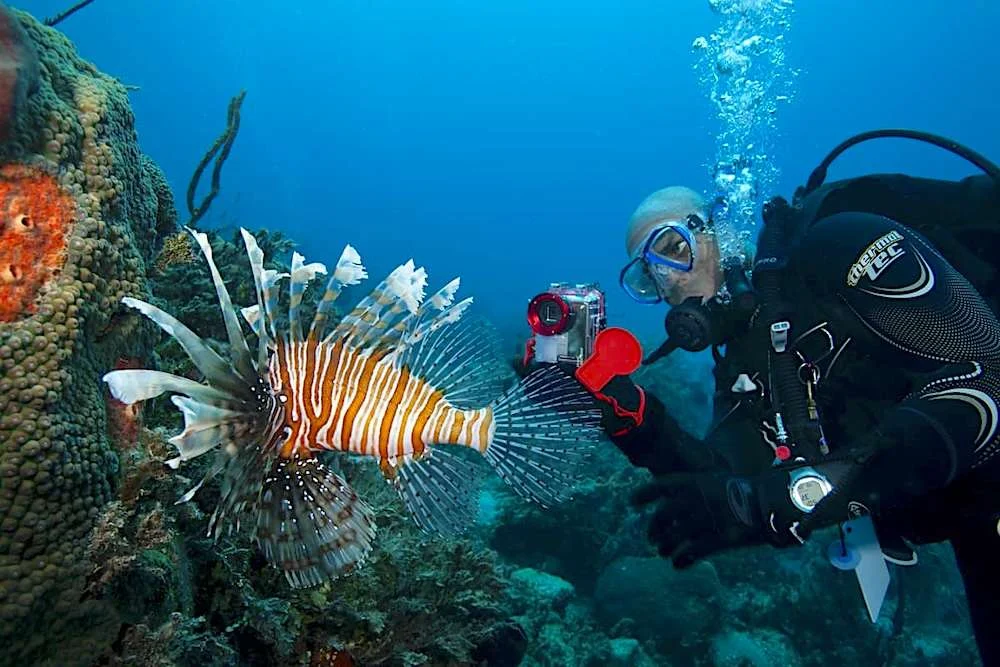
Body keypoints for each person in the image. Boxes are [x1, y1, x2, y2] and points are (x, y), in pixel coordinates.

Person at [525, 130, 1000, 665]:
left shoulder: (839, 247)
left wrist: (797, 495)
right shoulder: (748, 371)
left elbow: (988, 377)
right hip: (978, 522)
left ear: (720, 232)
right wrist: (630, 417)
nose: (666, 281)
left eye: (672, 249)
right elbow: (724, 480)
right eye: (647, 274)